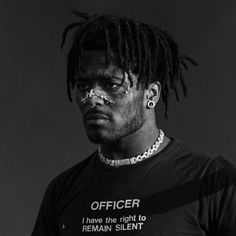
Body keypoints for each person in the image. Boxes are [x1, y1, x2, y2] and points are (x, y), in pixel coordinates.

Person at [32, 11, 236, 235]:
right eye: (83, 86)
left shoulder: (208, 180)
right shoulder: (63, 190)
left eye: (111, 84)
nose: (92, 97)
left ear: (151, 93)